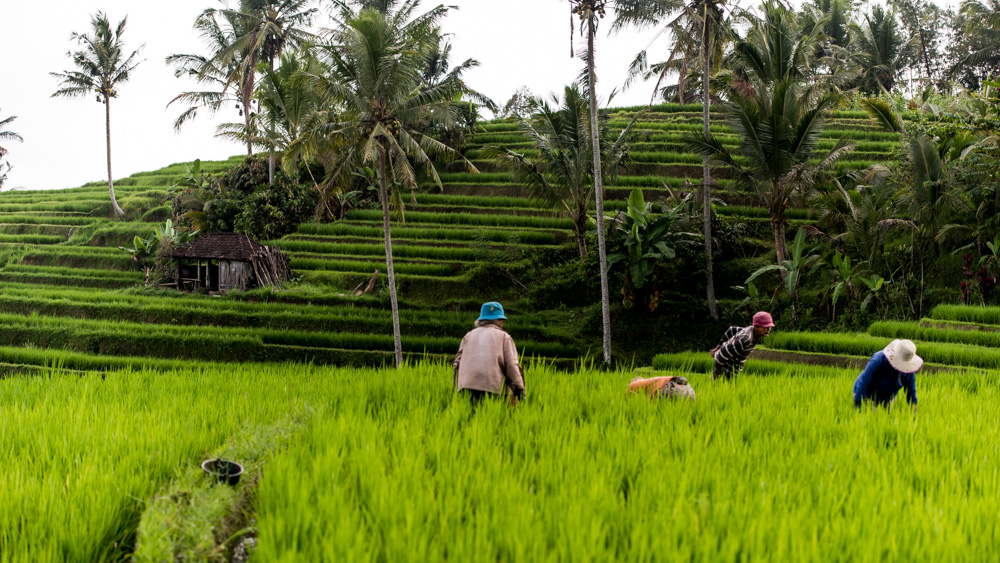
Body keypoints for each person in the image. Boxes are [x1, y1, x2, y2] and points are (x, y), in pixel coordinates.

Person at [453, 301, 525, 405]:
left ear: (481, 320)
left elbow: (457, 362)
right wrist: (519, 388)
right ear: (500, 321)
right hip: (493, 387)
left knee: (471, 418)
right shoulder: (504, 337)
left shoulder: (468, 336)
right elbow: (512, 365)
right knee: (508, 414)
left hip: (467, 386)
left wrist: (457, 386)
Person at [853, 339, 921, 412]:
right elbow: (863, 383)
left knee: (886, 419)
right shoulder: (879, 360)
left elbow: (911, 392)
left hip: (887, 398)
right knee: (872, 416)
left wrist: (914, 416)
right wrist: (858, 408)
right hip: (868, 395)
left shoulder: (908, 370)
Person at [709, 311, 775, 379]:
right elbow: (723, 352)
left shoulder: (750, 330)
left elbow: (731, 330)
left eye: (770, 326)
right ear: (756, 326)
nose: (768, 329)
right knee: (723, 387)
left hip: (734, 365)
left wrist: (718, 347)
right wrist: (715, 374)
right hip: (726, 365)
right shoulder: (746, 339)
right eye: (765, 327)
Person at [628, 375, 695, 400]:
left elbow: (626, 398)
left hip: (668, 387)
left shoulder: (634, 385)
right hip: (686, 386)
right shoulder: (653, 383)